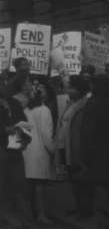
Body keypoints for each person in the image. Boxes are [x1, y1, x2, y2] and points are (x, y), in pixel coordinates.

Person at [79, 74, 109, 229]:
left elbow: (87, 131)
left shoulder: (93, 103)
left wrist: (84, 153)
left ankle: (104, 219)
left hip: (97, 152)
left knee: (100, 186)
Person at [55, 75, 92, 219]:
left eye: (71, 87)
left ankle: (86, 210)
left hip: (78, 148)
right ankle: (78, 207)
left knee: (81, 180)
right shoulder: (70, 103)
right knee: (73, 179)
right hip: (67, 145)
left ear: (79, 89)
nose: (68, 90)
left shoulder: (85, 105)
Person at [1, 76, 34, 228]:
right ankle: (6, 218)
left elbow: (25, 123)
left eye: (3, 84)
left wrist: (24, 139)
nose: (3, 87)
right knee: (3, 188)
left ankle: (26, 220)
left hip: (15, 150)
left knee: (21, 187)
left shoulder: (14, 103)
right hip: (1, 150)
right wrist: (4, 130)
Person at [23, 81, 56, 225]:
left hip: (26, 152)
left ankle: (29, 214)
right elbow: (46, 135)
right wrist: (54, 151)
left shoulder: (26, 110)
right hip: (40, 153)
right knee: (39, 187)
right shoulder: (45, 110)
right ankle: (41, 215)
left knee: (29, 186)